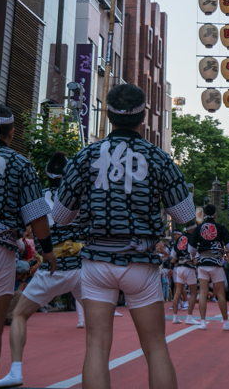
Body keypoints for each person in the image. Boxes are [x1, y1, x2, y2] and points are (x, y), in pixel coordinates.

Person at [50, 83, 195, 389]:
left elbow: (61, 217)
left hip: (96, 260)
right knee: (156, 347)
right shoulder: (159, 158)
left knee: (97, 348)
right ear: (143, 116)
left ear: (108, 114)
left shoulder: (84, 156)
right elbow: (184, 216)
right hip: (141, 262)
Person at [0, 148, 84, 388]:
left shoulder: (40, 196)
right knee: (98, 323)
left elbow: (29, 225)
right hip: (83, 267)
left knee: (20, 315)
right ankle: (97, 369)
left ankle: (15, 371)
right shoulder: (82, 195)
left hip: (54, 267)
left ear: (46, 174)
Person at [0, 106, 53, 389]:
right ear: (11, 133)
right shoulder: (21, 164)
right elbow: (36, 214)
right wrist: (46, 249)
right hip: (1, 245)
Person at [187, 205, 229, 331]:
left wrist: (194, 258)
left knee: (203, 293)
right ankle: (226, 323)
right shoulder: (220, 227)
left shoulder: (198, 228)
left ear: (204, 214)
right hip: (216, 263)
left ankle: (203, 322)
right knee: (220, 293)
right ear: (215, 215)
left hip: (202, 263)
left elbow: (191, 249)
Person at [169, 222, 199, 324]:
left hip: (179, 268)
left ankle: (175, 317)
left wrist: (171, 269)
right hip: (189, 267)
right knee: (194, 293)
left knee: (177, 291)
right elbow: (194, 256)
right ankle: (189, 317)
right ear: (191, 229)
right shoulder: (193, 239)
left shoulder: (178, 241)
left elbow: (173, 258)